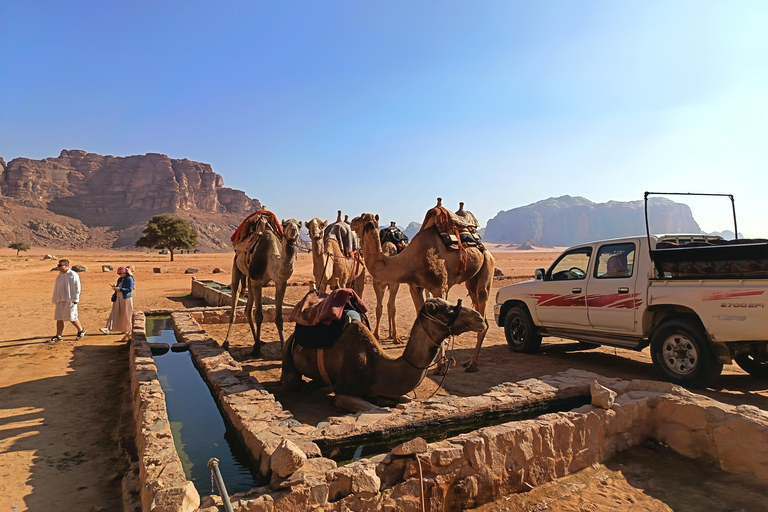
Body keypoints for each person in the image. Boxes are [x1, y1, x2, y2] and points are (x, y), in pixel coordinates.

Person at [49, 259, 85, 343]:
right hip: (60, 299)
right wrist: (55, 298)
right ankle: (58, 335)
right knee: (59, 318)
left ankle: (81, 330)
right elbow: (57, 288)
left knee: (72, 317)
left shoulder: (73, 274)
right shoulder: (60, 275)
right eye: (58, 265)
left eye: (60, 265)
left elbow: (77, 287)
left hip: (70, 299)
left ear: (66, 266)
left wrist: (76, 299)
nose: (59, 267)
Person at [100, 266, 134, 338]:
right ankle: (108, 328)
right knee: (114, 312)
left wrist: (120, 289)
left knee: (127, 313)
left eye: (120, 273)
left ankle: (127, 329)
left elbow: (130, 289)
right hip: (118, 298)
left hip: (126, 298)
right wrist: (115, 289)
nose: (119, 275)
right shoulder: (120, 279)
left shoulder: (129, 279)